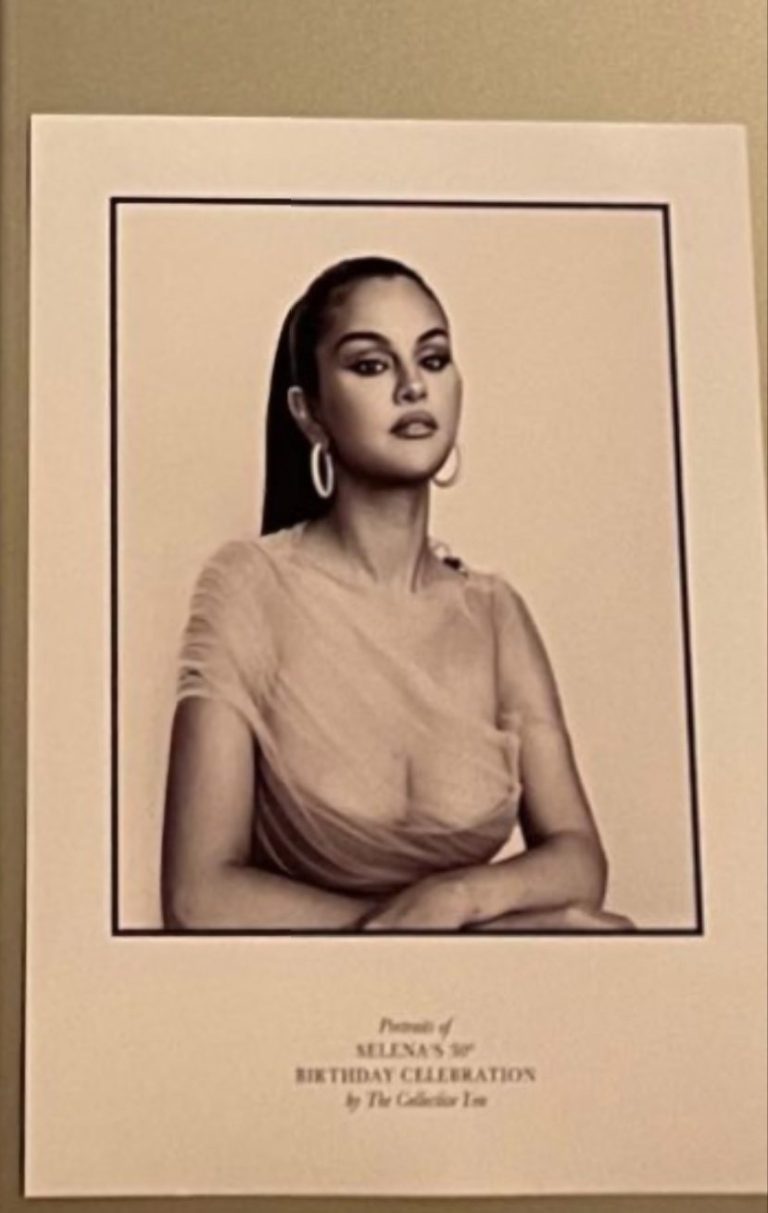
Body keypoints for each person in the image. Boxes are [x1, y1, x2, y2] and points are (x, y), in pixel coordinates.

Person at [160, 255, 633, 932]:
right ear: (309, 413)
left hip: (466, 983)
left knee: (609, 933)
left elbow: (579, 859)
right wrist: (411, 938)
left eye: (432, 359)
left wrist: (459, 900)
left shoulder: (493, 611)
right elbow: (198, 897)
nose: (413, 386)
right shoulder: (249, 585)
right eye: (372, 365)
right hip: (296, 984)